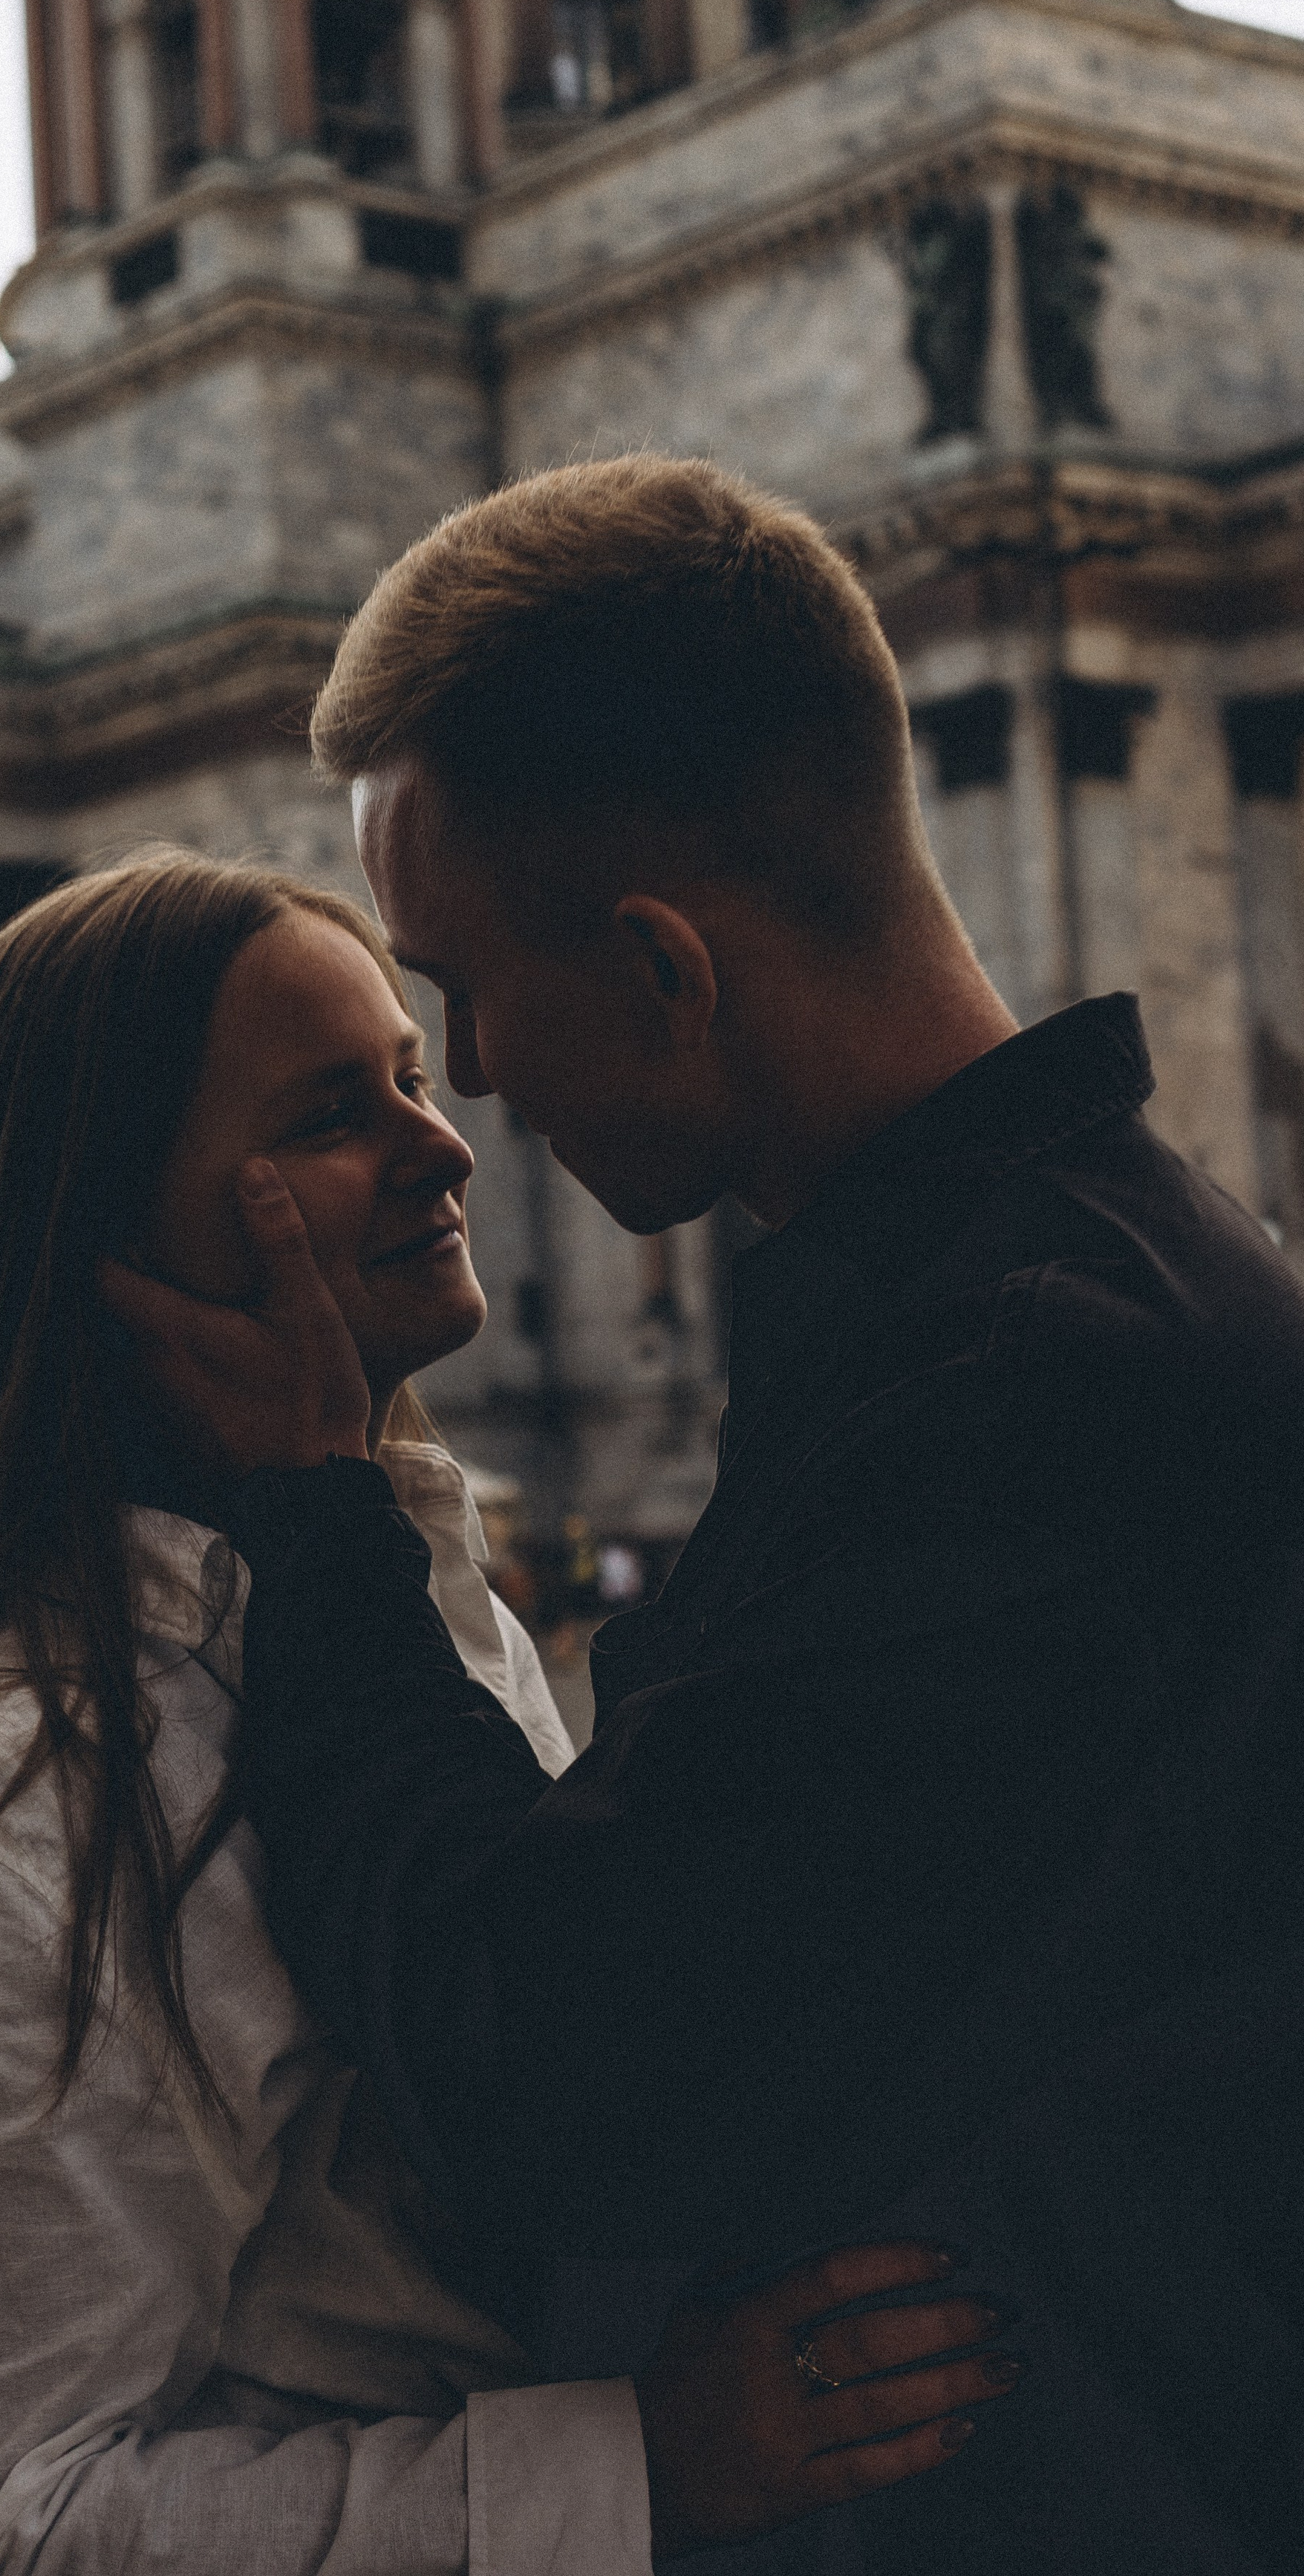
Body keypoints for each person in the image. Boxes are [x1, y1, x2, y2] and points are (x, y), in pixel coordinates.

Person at [106, 461, 1304, 2571]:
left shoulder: (1020, 1397)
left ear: (669, 971)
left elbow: (549, 2071)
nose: (470, 1085)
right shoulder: (1075, 1292)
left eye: (458, 992)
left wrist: (315, 1517)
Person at [0, 852, 1014, 2576]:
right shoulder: (13, 1807)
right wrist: (632, 2467)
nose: (443, 1142)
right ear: (109, 1238)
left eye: (411, 1074)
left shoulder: (392, 1584)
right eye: (336, 1110)